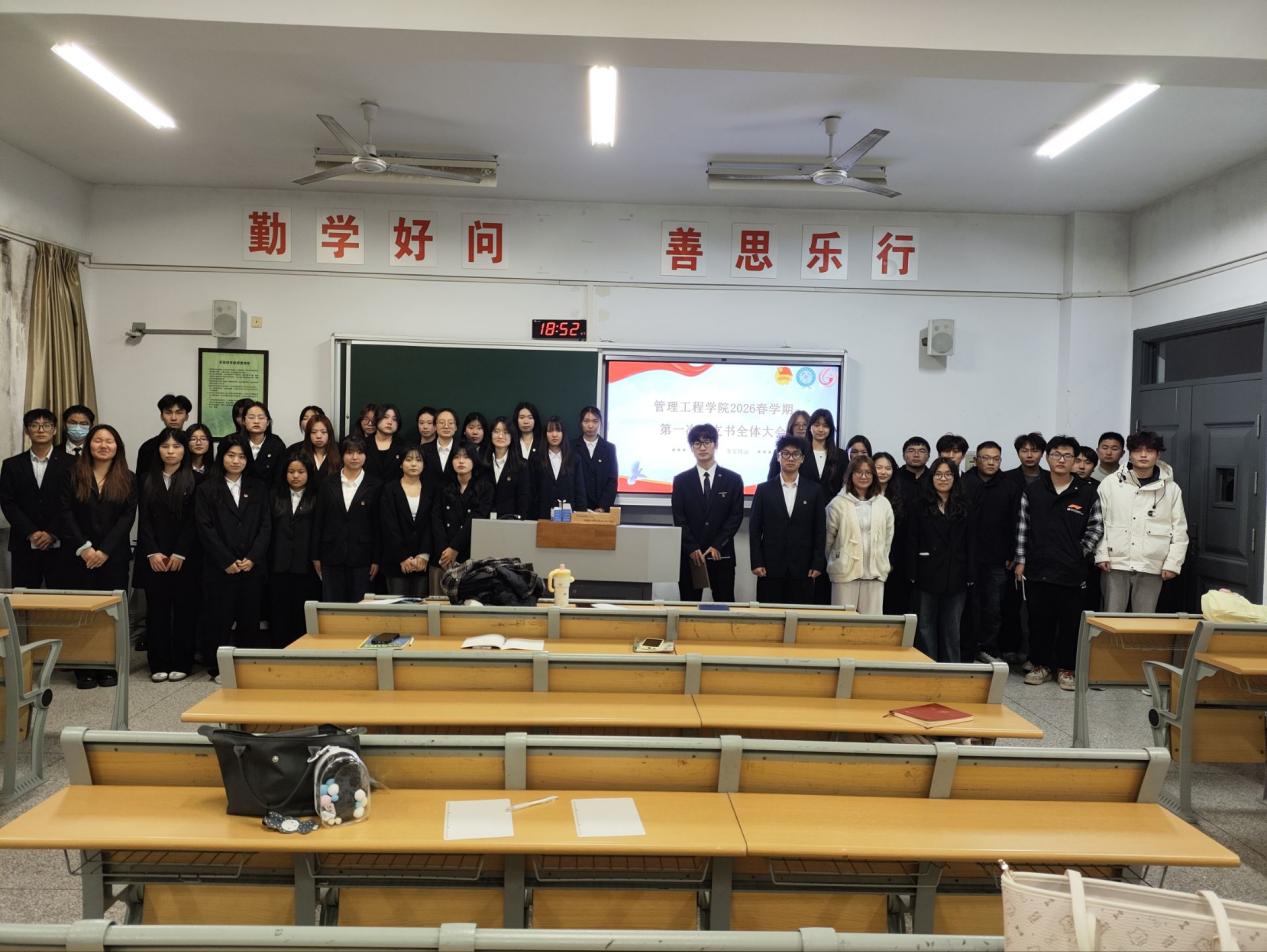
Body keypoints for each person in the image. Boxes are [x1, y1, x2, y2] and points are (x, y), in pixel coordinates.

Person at [1013, 436, 1104, 690]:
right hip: (1038, 567)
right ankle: (1040, 665)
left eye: (1067, 456)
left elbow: (1096, 527)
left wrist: (1078, 552)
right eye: (1056, 455)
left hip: (1072, 570)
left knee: (1070, 622)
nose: (1061, 460)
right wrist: (1021, 560)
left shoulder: (1087, 491)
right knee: (1038, 621)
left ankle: (1066, 669)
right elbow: (1022, 527)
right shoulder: (1033, 490)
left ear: (1075, 460)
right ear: (1047, 458)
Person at [59, 424, 137, 688]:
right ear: (89, 445)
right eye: (98, 440)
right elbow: (65, 512)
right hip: (79, 556)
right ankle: (84, 666)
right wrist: (85, 548)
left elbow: (127, 517)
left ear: (118, 447)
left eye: (109, 441)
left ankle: (108, 664)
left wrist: (104, 550)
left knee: (110, 613)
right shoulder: (72, 475)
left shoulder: (128, 477)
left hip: (113, 556)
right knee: (83, 612)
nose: (104, 445)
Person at [195, 434, 271, 681]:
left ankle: (247, 667)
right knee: (219, 618)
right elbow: (204, 528)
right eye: (231, 455)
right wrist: (226, 560)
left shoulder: (258, 488)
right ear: (222, 457)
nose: (236, 461)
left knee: (249, 619)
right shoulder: (207, 488)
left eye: (241, 456)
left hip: (251, 566)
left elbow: (266, 526)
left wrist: (253, 557)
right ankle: (218, 668)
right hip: (220, 567)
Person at [1094, 431, 1188, 614]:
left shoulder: (1171, 489)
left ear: (1158, 455)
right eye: (1138, 451)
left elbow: (1179, 528)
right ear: (1130, 454)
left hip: (1152, 564)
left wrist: (1173, 563)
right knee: (1110, 617)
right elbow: (1099, 522)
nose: (1143, 455)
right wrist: (1101, 554)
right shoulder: (1110, 483)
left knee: (1144, 619)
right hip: (1115, 563)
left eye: (1149, 451)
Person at [135, 428, 197, 681]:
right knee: (157, 611)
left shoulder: (196, 479)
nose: (170, 451)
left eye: (176, 446)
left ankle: (182, 662)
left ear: (185, 450)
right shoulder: (145, 479)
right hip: (155, 557)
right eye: (165, 446)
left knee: (184, 610)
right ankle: (158, 662)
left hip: (186, 557)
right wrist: (152, 551)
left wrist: (180, 552)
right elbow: (143, 520)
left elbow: (194, 521)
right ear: (158, 450)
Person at [907, 457, 973, 662]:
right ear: (931, 477)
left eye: (948, 474)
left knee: (952, 627)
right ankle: (927, 666)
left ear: (955, 478)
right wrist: (911, 572)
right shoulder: (919, 505)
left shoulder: (965, 506)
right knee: (925, 626)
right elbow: (911, 540)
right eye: (938, 474)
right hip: (926, 572)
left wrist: (971, 574)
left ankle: (952, 669)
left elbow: (972, 542)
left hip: (956, 573)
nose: (943, 479)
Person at [960, 440, 1020, 663]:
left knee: (993, 607)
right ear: (976, 460)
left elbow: (1015, 522)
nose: (991, 462)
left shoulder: (1009, 485)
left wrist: (1011, 554)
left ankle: (988, 647)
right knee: (968, 605)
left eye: (996, 459)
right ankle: (967, 647)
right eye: (986, 458)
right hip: (967, 557)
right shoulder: (964, 483)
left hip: (997, 558)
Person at [671, 424, 744, 602]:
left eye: (707, 442)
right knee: (689, 605)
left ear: (715, 445)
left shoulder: (733, 480)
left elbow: (735, 516)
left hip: (721, 553)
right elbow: (679, 518)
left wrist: (718, 544)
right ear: (691, 447)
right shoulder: (681, 481)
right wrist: (692, 547)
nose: (702, 447)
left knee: (724, 605)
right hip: (691, 555)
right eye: (697, 443)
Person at [749, 435, 826, 604]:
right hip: (770, 566)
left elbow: (820, 530)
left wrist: (817, 562)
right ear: (778, 457)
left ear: (802, 459)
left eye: (795, 454)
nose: (790, 458)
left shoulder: (814, 490)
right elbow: (754, 529)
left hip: (803, 567)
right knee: (769, 615)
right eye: (785, 453)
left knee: (800, 614)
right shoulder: (764, 490)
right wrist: (756, 561)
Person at [1, 408, 72, 588]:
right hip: (24, 543)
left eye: (46, 425)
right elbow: (8, 502)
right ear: (27, 430)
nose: (41, 430)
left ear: (54, 430)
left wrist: (52, 533)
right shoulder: (11, 465)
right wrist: (31, 532)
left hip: (62, 542)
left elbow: (74, 502)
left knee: (62, 598)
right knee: (23, 597)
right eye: (34, 425)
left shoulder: (72, 463)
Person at [312, 435, 381, 603]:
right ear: (342, 455)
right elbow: (319, 520)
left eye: (359, 452)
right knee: (332, 606)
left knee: (359, 607)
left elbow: (378, 525)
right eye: (350, 452)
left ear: (365, 455)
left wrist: (376, 559)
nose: (355, 457)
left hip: (362, 556)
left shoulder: (376, 485)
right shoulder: (328, 483)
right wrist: (315, 555)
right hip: (331, 554)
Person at [825, 453, 894, 613]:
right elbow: (828, 541)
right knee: (843, 622)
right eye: (859, 472)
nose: (864, 476)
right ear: (850, 475)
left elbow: (888, 539)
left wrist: (881, 559)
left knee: (872, 623)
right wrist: (839, 560)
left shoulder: (883, 503)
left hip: (874, 574)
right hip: (845, 574)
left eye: (868, 472)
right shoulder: (838, 504)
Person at [267, 451, 321, 647]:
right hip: (278, 563)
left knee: (302, 613)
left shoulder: (318, 496)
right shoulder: (273, 495)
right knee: (278, 611)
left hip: (306, 564)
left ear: (309, 473)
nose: (295, 476)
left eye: (301, 472)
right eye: (291, 472)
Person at [431, 443, 494, 590]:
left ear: (474, 460)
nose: (461, 461)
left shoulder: (485, 487)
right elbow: (436, 518)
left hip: (470, 554)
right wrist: (445, 551)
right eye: (456, 457)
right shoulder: (442, 486)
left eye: (466, 457)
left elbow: (476, 518)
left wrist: (454, 548)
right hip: (442, 556)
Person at [380, 445, 433, 598]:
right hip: (396, 561)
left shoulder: (431, 489)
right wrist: (402, 556)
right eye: (408, 460)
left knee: (421, 607)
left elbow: (432, 524)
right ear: (401, 464)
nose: (413, 464)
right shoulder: (389, 489)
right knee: (399, 607)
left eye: (418, 460)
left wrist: (424, 555)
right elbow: (389, 525)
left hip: (422, 562)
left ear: (424, 464)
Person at [873, 451, 910, 614]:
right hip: (867, 562)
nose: (883, 472)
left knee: (892, 605)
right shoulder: (861, 494)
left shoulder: (902, 495)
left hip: (894, 560)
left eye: (888, 468)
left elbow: (903, 534)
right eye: (878, 467)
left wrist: (892, 559)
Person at [534, 416, 588, 517]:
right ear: (545, 434)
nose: (554, 435)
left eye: (558, 430)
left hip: (568, 517)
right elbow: (532, 491)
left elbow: (580, 491)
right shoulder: (537, 459)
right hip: (542, 516)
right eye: (550, 431)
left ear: (563, 433)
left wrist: (581, 515)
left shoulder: (574, 458)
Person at [573, 406, 618, 512]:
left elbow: (612, 480)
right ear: (581, 423)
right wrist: (580, 507)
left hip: (601, 510)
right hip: (577, 509)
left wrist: (602, 507)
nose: (590, 425)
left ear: (600, 423)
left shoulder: (609, 448)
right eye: (586, 421)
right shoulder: (571, 447)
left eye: (595, 421)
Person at [135, 394, 192, 478]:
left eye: (179, 413)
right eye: (168, 413)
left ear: (186, 417)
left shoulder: (194, 444)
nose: (173, 418)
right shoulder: (148, 447)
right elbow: (141, 480)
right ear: (161, 416)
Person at [488, 416, 533, 519]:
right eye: (496, 431)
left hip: (511, 521)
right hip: (483, 522)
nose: (500, 436)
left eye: (506, 432)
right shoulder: (483, 463)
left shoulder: (521, 465)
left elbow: (523, 499)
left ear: (512, 435)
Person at [239, 401, 287, 485]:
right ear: (243, 421)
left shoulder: (277, 445)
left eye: (261, 418)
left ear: (268, 422)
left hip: (268, 491)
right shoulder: (235, 441)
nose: (256, 421)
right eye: (251, 417)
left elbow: (280, 478)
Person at [806, 409, 847, 499]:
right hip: (805, 504)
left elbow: (845, 484)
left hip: (832, 505)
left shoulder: (841, 455)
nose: (820, 429)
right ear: (810, 427)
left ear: (830, 429)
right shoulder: (801, 453)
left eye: (825, 426)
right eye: (816, 425)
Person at [767, 409, 811, 478]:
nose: (801, 428)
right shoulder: (780, 451)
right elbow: (771, 479)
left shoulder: (815, 451)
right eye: (796, 425)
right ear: (791, 427)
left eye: (805, 425)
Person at [366, 403, 405, 479]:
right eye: (385, 417)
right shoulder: (363, 444)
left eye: (394, 419)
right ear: (376, 419)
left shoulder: (404, 446)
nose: (390, 422)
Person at [301, 413, 341, 484]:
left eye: (323, 432)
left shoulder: (340, 452)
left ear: (329, 434)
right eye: (314, 432)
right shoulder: (300, 453)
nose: (318, 436)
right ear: (308, 435)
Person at [422, 408, 459, 483]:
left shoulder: (463, 449)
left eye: (450, 423)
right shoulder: (423, 450)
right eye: (441, 422)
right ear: (435, 426)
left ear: (456, 427)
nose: (446, 426)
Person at [512, 401, 543, 467]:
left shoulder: (543, 441)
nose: (526, 422)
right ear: (516, 420)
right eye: (522, 417)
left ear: (535, 420)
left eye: (530, 417)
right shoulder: (511, 442)